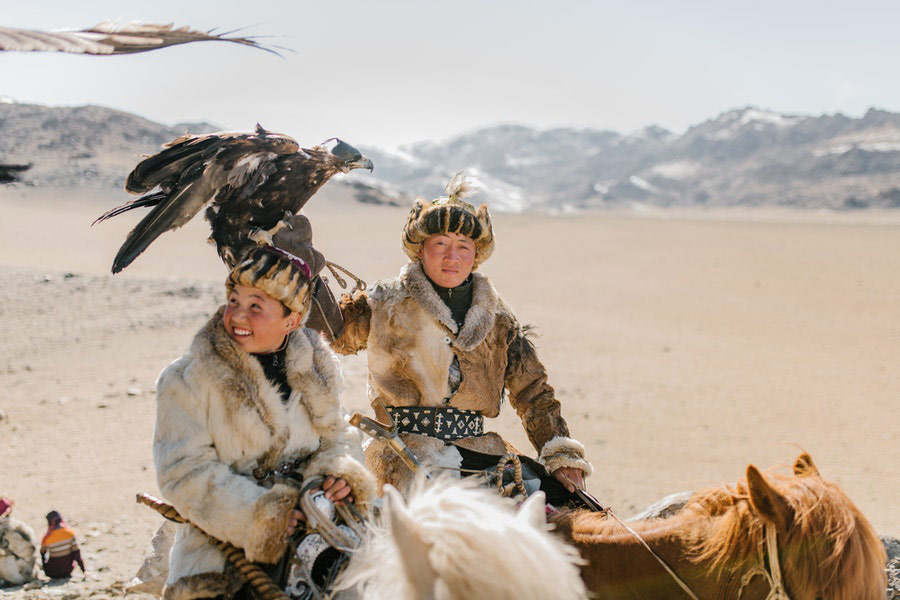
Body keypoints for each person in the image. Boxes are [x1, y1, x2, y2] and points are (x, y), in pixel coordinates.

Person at [333, 173, 593, 507]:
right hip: (402, 453)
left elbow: (533, 393)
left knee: (567, 512)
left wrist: (560, 454)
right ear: (421, 250)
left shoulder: (499, 320)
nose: (451, 257)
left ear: (476, 254)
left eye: (463, 247)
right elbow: (334, 337)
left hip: (479, 452)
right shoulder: (382, 302)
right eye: (440, 244)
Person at [153, 236, 375, 600]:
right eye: (234, 301)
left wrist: (339, 476)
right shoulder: (187, 378)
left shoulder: (319, 366)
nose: (238, 315)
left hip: (316, 528)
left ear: (291, 320)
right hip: (223, 545)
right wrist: (262, 517)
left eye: (256, 306)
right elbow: (183, 473)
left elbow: (337, 437)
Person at [40, 511, 84, 579]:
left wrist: (45, 567)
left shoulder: (46, 538)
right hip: (67, 570)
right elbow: (76, 554)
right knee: (72, 551)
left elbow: (42, 553)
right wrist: (84, 570)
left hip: (51, 572)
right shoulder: (70, 534)